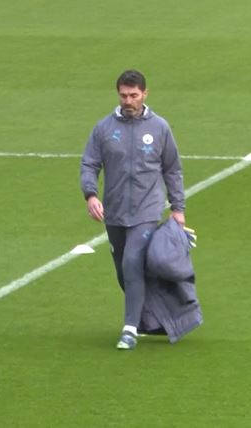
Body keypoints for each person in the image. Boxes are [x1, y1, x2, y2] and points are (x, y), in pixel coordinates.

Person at [80, 69, 186, 350]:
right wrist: (91, 195)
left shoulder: (160, 127)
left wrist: (178, 209)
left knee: (132, 262)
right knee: (123, 272)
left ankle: (130, 329)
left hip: (147, 210)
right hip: (114, 212)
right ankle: (158, 317)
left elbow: (172, 169)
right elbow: (89, 163)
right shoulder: (104, 128)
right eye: (124, 95)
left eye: (134, 95)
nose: (128, 100)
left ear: (145, 94)